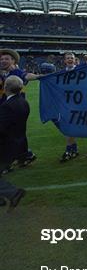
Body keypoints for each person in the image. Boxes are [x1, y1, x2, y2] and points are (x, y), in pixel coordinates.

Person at [0, 76, 29, 210]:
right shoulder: (23, 102)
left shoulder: (7, 106)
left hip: (6, 146)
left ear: (5, 88)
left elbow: (2, 127)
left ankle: (13, 193)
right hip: (18, 143)